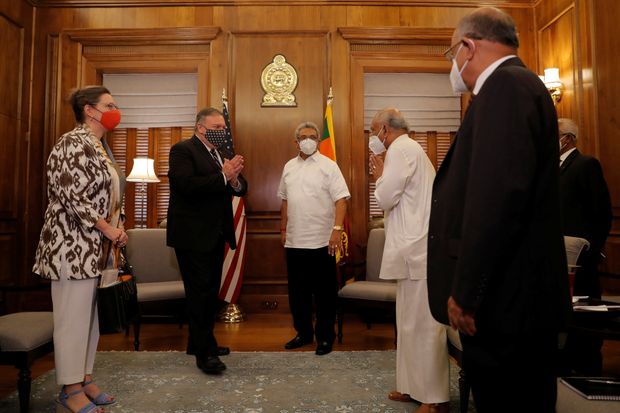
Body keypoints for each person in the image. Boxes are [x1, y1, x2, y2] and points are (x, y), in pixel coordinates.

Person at [426, 7, 570, 413]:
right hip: (515, 300)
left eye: (452, 52)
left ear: (468, 46)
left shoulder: (504, 89)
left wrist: (467, 293)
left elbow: (495, 202)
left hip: (507, 306)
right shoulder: (517, 86)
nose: (453, 64)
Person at [33, 86, 127, 413]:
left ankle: (84, 378)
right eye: (110, 105)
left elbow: (111, 195)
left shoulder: (100, 147)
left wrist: (119, 228)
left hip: (97, 249)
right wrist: (108, 229)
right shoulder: (71, 143)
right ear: (90, 110)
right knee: (73, 319)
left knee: (91, 320)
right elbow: (73, 197)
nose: (116, 110)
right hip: (71, 246)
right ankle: (69, 388)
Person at [368, 109, 458, 413]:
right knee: (407, 323)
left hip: (418, 250)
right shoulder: (407, 148)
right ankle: (411, 387)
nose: (373, 138)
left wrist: (378, 177)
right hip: (411, 249)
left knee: (424, 325)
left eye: (373, 131)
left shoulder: (401, 148)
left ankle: (435, 398)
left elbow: (384, 198)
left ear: (384, 129)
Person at [167, 107, 247, 374]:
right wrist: (224, 176)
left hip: (215, 234)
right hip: (192, 235)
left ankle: (198, 341)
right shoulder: (183, 150)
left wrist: (233, 179)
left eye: (223, 128)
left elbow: (241, 186)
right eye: (217, 128)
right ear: (200, 128)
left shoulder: (218, 154)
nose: (222, 133)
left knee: (208, 292)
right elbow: (186, 185)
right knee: (200, 294)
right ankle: (205, 354)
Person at [278, 121, 350, 356]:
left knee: (324, 294)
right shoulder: (289, 167)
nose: (308, 140)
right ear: (296, 141)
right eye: (303, 136)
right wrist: (282, 230)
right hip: (294, 240)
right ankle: (303, 333)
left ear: (318, 141)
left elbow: (341, 199)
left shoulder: (329, 166)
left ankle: (325, 337)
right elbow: (285, 200)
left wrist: (337, 230)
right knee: (297, 293)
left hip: (322, 240)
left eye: (312, 136)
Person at [558, 117, 612, 375]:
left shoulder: (585, 164)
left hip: (582, 255)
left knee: (586, 312)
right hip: (558, 254)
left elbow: (601, 211)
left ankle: (589, 365)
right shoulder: (551, 168)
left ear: (567, 138)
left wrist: (594, 248)